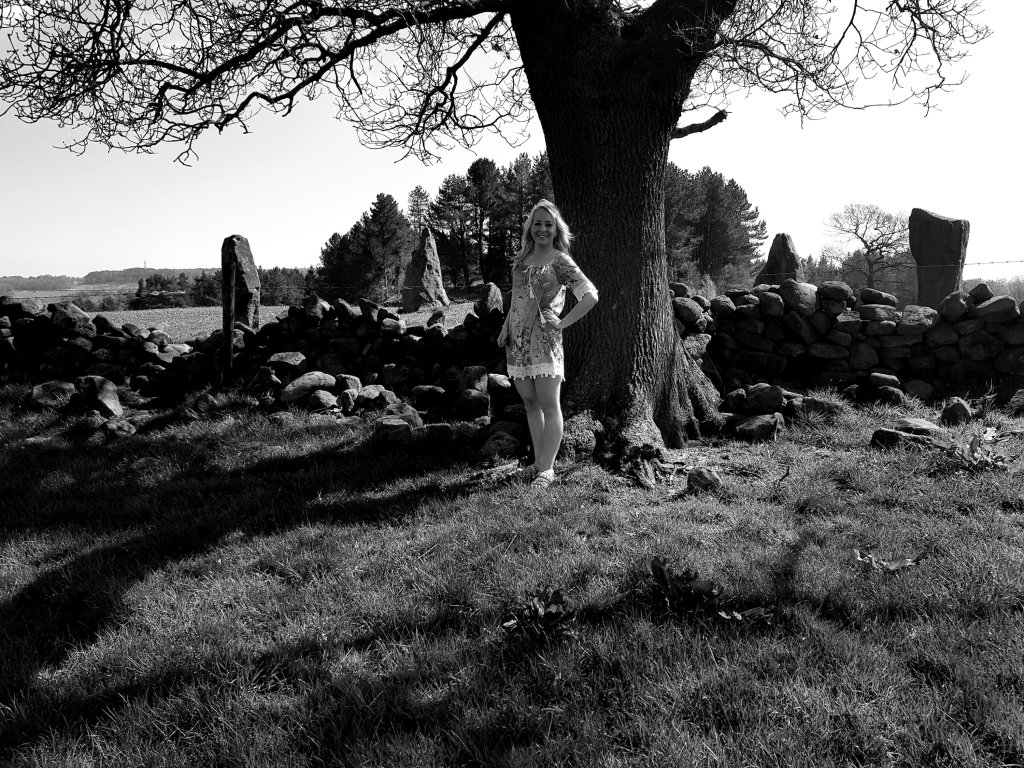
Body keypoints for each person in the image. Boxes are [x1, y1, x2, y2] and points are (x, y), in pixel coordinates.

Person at [497, 199, 599, 490]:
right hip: (517, 342)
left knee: (549, 404)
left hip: (545, 343)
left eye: (548, 224)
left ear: (556, 230)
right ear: (530, 227)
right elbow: (517, 300)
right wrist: (505, 327)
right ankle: (538, 462)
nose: (542, 229)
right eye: (537, 223)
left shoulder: (560, 260)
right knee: (530, 403)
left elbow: (590, 295)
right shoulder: (521, 260)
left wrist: (562, 323)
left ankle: (547, 469)